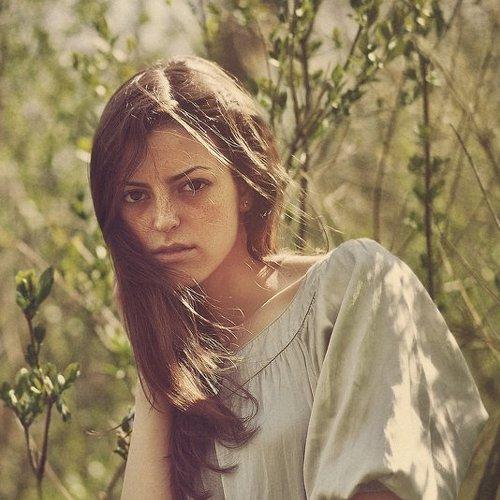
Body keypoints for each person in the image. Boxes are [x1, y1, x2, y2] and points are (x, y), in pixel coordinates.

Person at [89, 55, 489, 500]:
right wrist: (155, 365)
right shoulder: (185, 362)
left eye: (193, 186)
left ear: (244, 185)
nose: (163, 219)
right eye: (135, 196)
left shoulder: (353, 289)